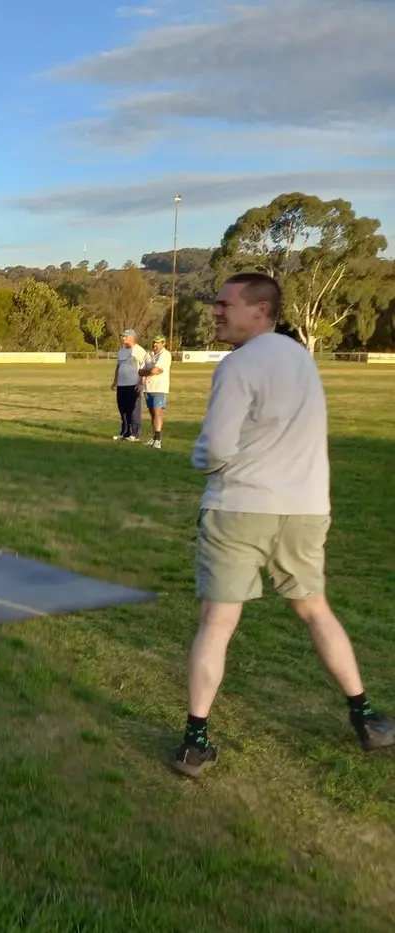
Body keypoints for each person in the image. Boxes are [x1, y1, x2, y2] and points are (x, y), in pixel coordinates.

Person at [172, 271, 393, 778]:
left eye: (226, 304)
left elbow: (216, 449)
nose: (217, 311)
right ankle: (366, 716)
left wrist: (200, 458)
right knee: (315, 610)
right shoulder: (301, 359)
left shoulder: (237, 366)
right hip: (306, 507)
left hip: (240, 507)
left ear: (261, 310)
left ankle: (195, 741)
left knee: (217, 623)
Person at [110, 328, 147, 442]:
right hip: (122, 384)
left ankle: (135, 433)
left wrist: (141, 383)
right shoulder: (121, 351)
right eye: (123, 336)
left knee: (134, 409)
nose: (123, 338)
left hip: (133, 384)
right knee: (123, 409)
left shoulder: (139, 351)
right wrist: (115, 380)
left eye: (125, 336)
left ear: (132, 337)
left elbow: (144, 368)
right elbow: (118, 366)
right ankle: (125, 432)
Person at [139, 334, 172, 449]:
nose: (155, 345)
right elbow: (141, 371)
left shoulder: (165, 354)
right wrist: (151, 371)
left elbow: (154, 370)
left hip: (159, 387)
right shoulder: (149, 354)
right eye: (154, 342)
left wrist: (150, 371)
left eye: (158, 343)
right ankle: (154, 437)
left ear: (164, 344)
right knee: (152, 414)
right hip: (148, 387)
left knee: (158, 413)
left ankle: (157, 440)